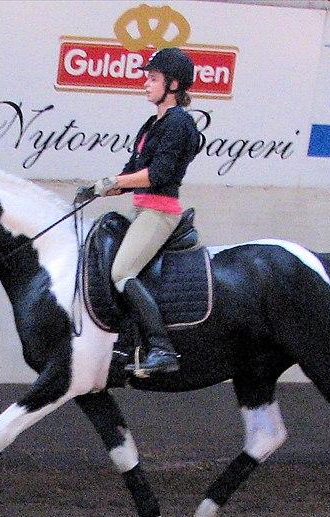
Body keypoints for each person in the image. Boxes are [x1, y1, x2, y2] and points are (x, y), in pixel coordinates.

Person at [78, 47, 200, 376]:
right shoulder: (152, 124)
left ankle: (162, 348)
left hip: (160, 212)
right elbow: (132, 173)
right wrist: (98, 189)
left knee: (121, 272)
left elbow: (157, 175)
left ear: (173, 85)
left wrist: (111, 182)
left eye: (153, 79)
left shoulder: (179, 124)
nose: (146, 84)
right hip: (143, 208)